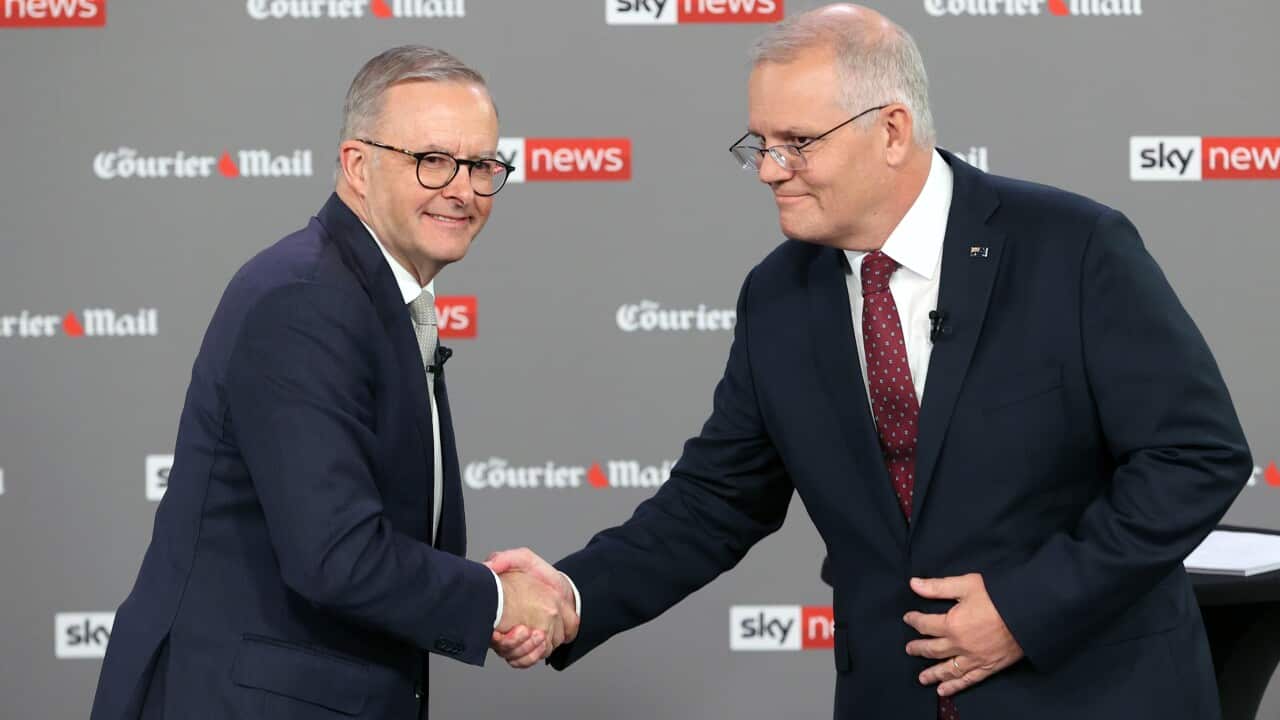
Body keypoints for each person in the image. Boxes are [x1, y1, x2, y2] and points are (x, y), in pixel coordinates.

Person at [487, 5, 1251, 719]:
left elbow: (1196, 457)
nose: (768, 169)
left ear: (891, 130)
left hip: (1094, 691)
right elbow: (716, 500)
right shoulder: (779, 294)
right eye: (759, 144)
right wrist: (573, 594)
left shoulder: (1071, 248)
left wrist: (1026, 608)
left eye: (797, 143)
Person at [89, 46, 575, 720]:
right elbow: (337, 555)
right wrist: (497, 601)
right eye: (431, 161)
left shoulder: (371, 293)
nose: (462, 188)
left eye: (482, 165)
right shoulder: (306, 298)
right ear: (356, 165)